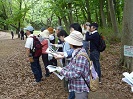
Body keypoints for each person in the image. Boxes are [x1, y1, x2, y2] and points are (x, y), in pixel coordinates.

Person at [56, 31, 90, 99]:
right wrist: (62, 69)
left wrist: (62, 71)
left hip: (81, 88)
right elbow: (71, 65)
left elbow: (76, 74)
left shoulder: (81, 55)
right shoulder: (76, 52)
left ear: (72, 43)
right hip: (76, 86)